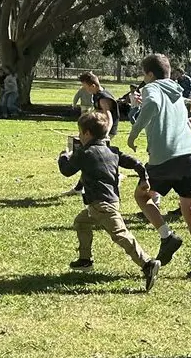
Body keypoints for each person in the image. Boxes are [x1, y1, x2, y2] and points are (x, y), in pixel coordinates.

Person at [128, 54, 191, 280]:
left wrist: (134, 132)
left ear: (149, 74)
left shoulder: (152, 88)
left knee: (142, 196)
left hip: (165, 158)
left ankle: (167, 236)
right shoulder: (178, 92)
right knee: (189, 208)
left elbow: (153, 105)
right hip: (190, 156)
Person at [59, 110, 160, 290]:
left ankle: (147, 263)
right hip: (108, 202)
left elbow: (67, 170)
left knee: (120, 234)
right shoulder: (111, 150)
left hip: (101, 204)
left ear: (87, 133)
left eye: (80, 132)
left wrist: (63, 156)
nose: (79, 136)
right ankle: (85, 260)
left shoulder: (84, 152)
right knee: (81, 222)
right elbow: (135, 163)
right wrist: (143, 176)